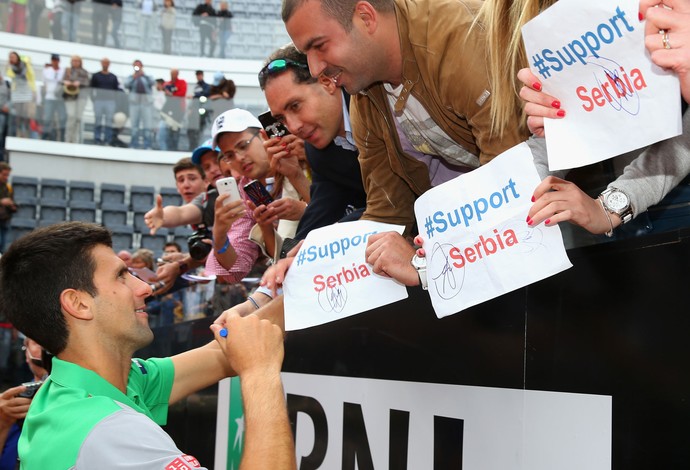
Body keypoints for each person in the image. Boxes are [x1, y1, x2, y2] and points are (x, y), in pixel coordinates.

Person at [0, 221, 296, 469]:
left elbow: (226, 350)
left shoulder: (98, 384)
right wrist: (260, 374)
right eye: (121, 275)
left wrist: (307, 276)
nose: (145, 287)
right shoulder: (104, 429)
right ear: (78, 303)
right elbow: (247, 355)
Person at [282, 0, 529, 287]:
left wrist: (425, 265)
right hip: (493, 232)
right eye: (306, 53)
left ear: (366, 17)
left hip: (567, 209)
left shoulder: (456, 36)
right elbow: (387, 212)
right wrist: (319, 261)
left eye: (320, 46)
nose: (314, 69)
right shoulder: (365, 93)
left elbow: (512, 182)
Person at [489, 0, 690, 237]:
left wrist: (610, 207)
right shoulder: (537, 16)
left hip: (673, 206)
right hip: (605, 207)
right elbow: (555, 124)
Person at [259, 44, 367, 244]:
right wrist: (291, 260)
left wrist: (325, 241)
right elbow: (322, 210)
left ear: (326, 82)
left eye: (295, 106)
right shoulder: (317, 151)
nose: (292, 127)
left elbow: (393, 204)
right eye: (281, 118)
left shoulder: (375, 107)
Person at [212, 108, 311, 263]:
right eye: (229, 155)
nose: (239, 158)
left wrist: (304, 210)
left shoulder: (303, 154)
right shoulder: (245, 191)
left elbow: (343, 213)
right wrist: (219, 234)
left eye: (243, 145)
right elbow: (236, 268)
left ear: (263, 135)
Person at [0, 337, 49, 470]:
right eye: (39, 343)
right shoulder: (8, 404)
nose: (47, 351)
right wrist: (3, 422)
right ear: (26, 353)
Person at [124, 59, 155, 149]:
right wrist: (134, 77)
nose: (137, 67)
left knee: (147, 125)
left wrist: (143, 75)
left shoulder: (147, 77)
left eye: (139, 65)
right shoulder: (131, 77)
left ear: (142, 66)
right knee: (134, 125)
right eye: (135, 65)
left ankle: (147, 145)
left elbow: (152, 82)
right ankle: (134, 144)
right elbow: (126, 85)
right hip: (134, 104)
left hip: (146, 104)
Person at [5, 51, 35, 139]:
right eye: (10, 57)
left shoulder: (25, 65)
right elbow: (10, 74)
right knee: (18, 115)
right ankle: (19, 133)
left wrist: (34, 91)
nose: (12, 58)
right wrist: (9, 65)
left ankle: (25, 133)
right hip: (17, 92)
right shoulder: (10, 67)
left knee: (25, 114)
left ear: (17, 57)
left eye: (13, 57)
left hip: (26, 91)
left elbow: (31, 76)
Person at [90, 57, 119, 146]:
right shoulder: (96, 76)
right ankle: (97, 139)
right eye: (104, 63)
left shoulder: (113, 77)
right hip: (99, 101)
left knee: (109, 121)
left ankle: (107, 140)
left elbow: (116, 90)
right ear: (101, 63)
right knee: (98, 120)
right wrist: (94, 99)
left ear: (109, 64)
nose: (105, 64)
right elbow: (91, 89)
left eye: (107, 63)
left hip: (110, 102)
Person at [62, 54, 90, 143]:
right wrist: (66, 82)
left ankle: (75, 139)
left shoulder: (84, 72)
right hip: (70, 96)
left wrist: (79, 82)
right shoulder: (67, 71)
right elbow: (61, 80)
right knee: (71, 116)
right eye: (73, 61)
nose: (75, 63)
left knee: (78, 118)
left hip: (81, 97)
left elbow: (87, 82)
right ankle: (68, 138)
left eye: (77, 61)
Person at [158, 68, 187, 151]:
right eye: (171, 74)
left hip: (178, 112)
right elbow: (162, 88)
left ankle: (174, 149)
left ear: (177, 74)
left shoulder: (182, 82)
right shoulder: (168, 83)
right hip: (168, 111)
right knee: (166, 132)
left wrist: (172, 94)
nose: (172, 76)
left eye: (174, 74)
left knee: (175, 133)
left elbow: (182, 93)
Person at [41, 53, 66, 142]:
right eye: (54, 60)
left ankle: (61, 138)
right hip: (49, 97)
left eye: (57, 60)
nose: (55, 62)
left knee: (61, 118)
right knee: (47, 118)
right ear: (51, 61)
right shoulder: (46, 70)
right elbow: (44, 83)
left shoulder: (63, 71)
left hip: (60, 99)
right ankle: (45, 137)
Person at [187, 70, 211, 149]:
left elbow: (205, 94)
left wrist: (195, 96)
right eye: (197, 75)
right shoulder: (196, 86)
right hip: (194, 110)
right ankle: (192, 146)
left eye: (200, 75)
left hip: (202, 111)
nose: (198, 77)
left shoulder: (206, 86)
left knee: (200, 131)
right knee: (191, 131)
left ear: (202, 75)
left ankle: (199, 146)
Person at [0, 162, 16, 253]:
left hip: (5, 220)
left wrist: (13, 206)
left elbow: (12, 200)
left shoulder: (8, 187)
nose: (6, 177)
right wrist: (1, 202)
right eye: (4, 175)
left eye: (7, 175)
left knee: (2, 246)